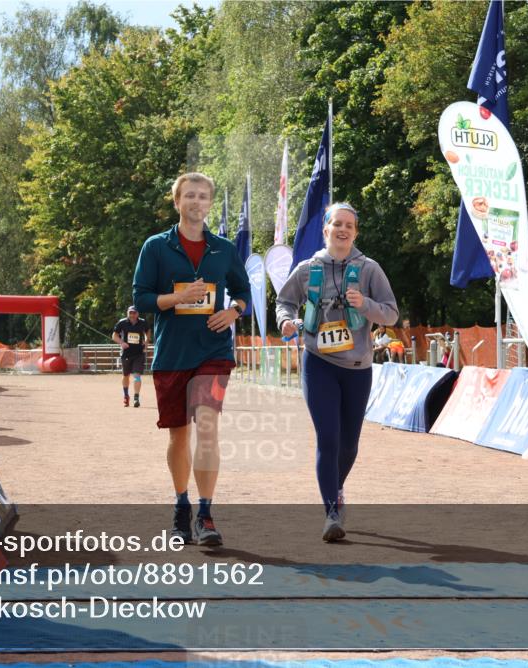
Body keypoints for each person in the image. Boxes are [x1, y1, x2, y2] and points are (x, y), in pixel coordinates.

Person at [133, 172, 251, 547]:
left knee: (208, 425)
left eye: (203, 197)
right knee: (178, 435)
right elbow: (143, 298)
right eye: (190, 196)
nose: (197, 202)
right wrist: (176, 299)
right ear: (177, 202)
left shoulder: (224, 249)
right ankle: (181, 505)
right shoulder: (155, 247)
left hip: (214, 351)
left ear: (209, 204)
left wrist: (234, 312)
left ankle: (206, 513)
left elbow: (243, 290)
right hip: (172, 354)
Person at [276, 202, 399, 542]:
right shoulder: (307, 268)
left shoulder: (370, 269)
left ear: (355, 232)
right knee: (328, 439)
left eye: (349, 225)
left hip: (358, 367)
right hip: (318, 363)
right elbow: (284, 302)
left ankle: (336, 486)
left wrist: (365, 305)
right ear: (326, 229)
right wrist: (286, 321)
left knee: (349, 446)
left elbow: (390, 315)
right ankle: (332, 511)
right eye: (337, 224)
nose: (343, 229)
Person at [112, 305, 149, 407]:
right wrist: (121, 342)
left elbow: (148, 331)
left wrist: (146, 341)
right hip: (126, 354)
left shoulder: (143, 322)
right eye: (130, 313)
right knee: (126, 376)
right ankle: (126, 395)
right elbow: (114, 335)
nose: (132, 315)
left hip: (139, 354)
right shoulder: (122, 323)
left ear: (138, 314)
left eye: (134, 313)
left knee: (137, 376)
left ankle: (136, 398)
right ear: (127, 313)